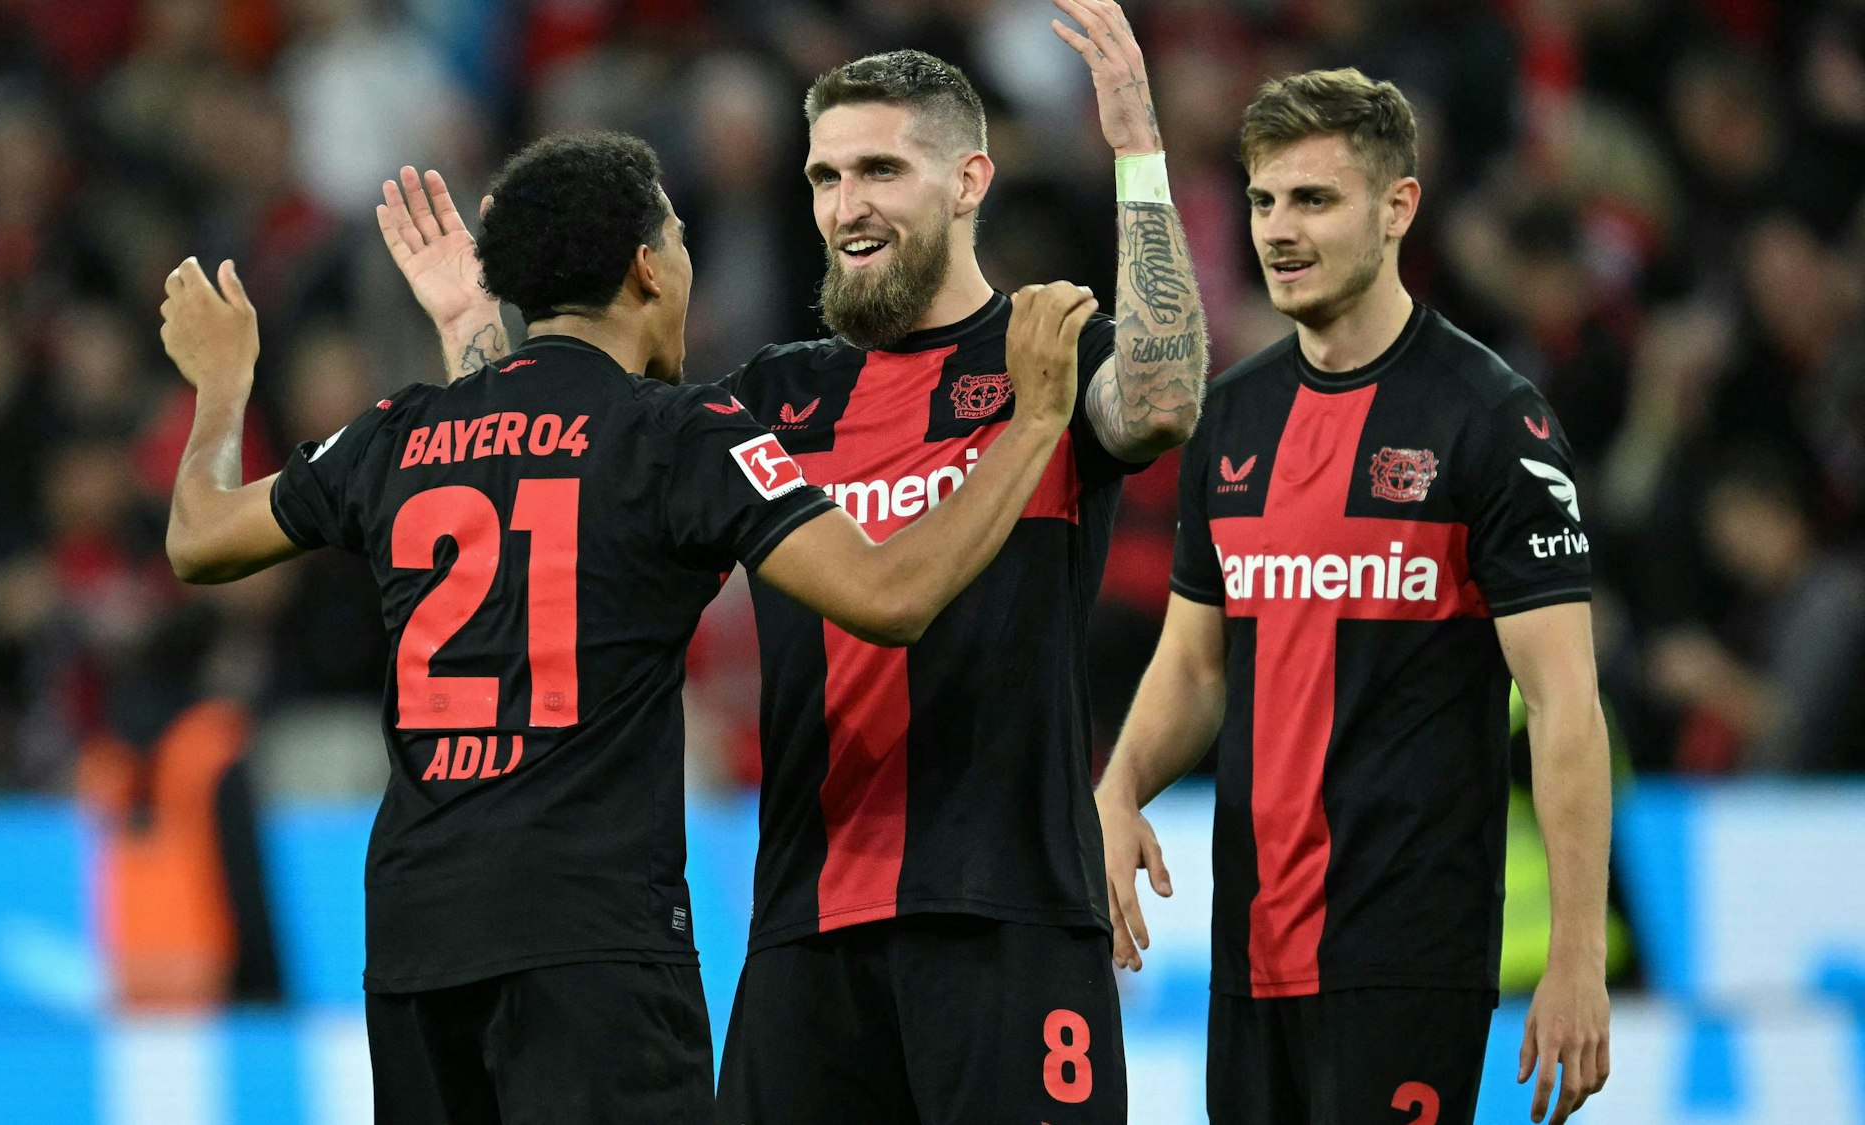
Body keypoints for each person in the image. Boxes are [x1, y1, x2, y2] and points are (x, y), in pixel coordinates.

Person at [159, 130, 1099, 1124]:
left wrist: (222, 389)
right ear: (648, 267)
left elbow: (200, 537)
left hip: (414, 941)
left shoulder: (406, 430)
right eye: (681, 242)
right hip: (592, 942)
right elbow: (891, 595)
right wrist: (1034, 422)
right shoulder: (678, 435)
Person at [383, 7, 1207, 1119]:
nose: (844, 206)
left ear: (969, 181)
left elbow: (1160, 405)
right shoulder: (771, 401)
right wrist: (474, 331)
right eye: (823, 177)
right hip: (804, 933)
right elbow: (569, 472)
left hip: (1008, 914)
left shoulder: (1042, 355)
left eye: (878, 170)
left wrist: (1135, 153)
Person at [1093, 68, 1614, 1125]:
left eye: (1313, 200)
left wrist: (1574, 960)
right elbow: (1195, 665)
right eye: (1262, 201)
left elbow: (1564, 705)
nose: (1277, 230)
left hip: (1406, 951)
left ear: (1395, 209)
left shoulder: (1488, 422)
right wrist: (1117, 788)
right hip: (1248, 951)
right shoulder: (1229, 421)